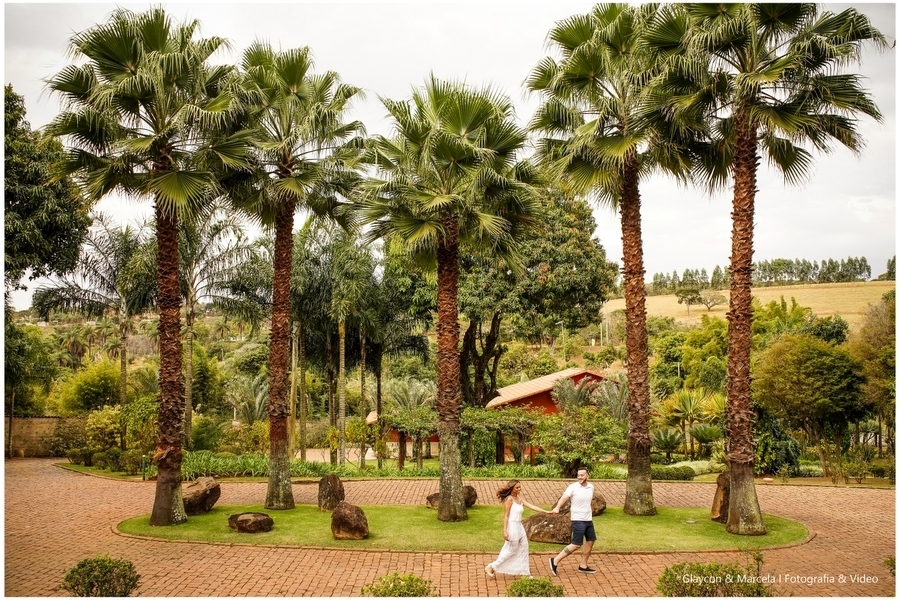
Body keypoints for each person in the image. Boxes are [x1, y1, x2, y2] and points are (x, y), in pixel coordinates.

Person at [484, 479, 550, 578]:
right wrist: (505, 531)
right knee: (511, 550)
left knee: (524, 547)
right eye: (517, 487)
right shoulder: (509, 499)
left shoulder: (519, 498)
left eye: (520, 487)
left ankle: (525, 573)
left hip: (519, 526)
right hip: (512, 527)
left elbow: (532, 506)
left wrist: (546, 512)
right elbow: (506, 516)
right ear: (511, 488)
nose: (519, 489)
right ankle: (492, 566)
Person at [548, 467, 597, 576]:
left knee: (591, 541)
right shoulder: (573, 487)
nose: (580, 477)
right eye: (578, 475)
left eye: (582, 475)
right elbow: (564, 497)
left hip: (588, 519)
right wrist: (557, 507)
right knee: (576, 544)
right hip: (578, 519)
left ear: (587, 476)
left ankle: (583, 566)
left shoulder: (591, 487)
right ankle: (555, 560)